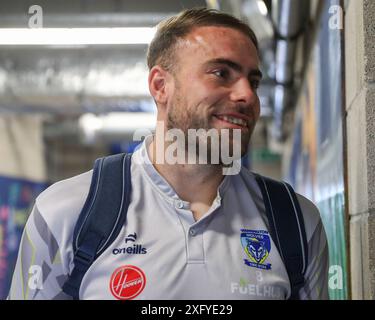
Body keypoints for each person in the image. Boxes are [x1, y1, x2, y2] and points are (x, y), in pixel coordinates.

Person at [8, 7, 328, 300]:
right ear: (161, 86)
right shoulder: (67, 213)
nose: (247, 95)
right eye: (221, 73)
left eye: (253, 81)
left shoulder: (297, 222)